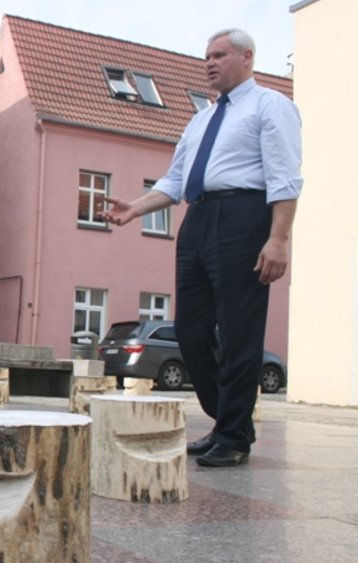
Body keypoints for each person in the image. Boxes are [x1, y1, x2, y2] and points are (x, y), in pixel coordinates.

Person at [101, 29, 302, 467]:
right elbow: (175, 181)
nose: (209, 62)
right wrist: (134, 208)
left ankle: (232, 435)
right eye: (206, 56)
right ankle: (228, 421)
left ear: (247, 57)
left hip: (244, 216)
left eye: (219, 55)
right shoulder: (201, 119)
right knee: (190, 333)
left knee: (238, 331)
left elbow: (286, 177)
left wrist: (278, 238)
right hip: (197, 220)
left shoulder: (272, 106)